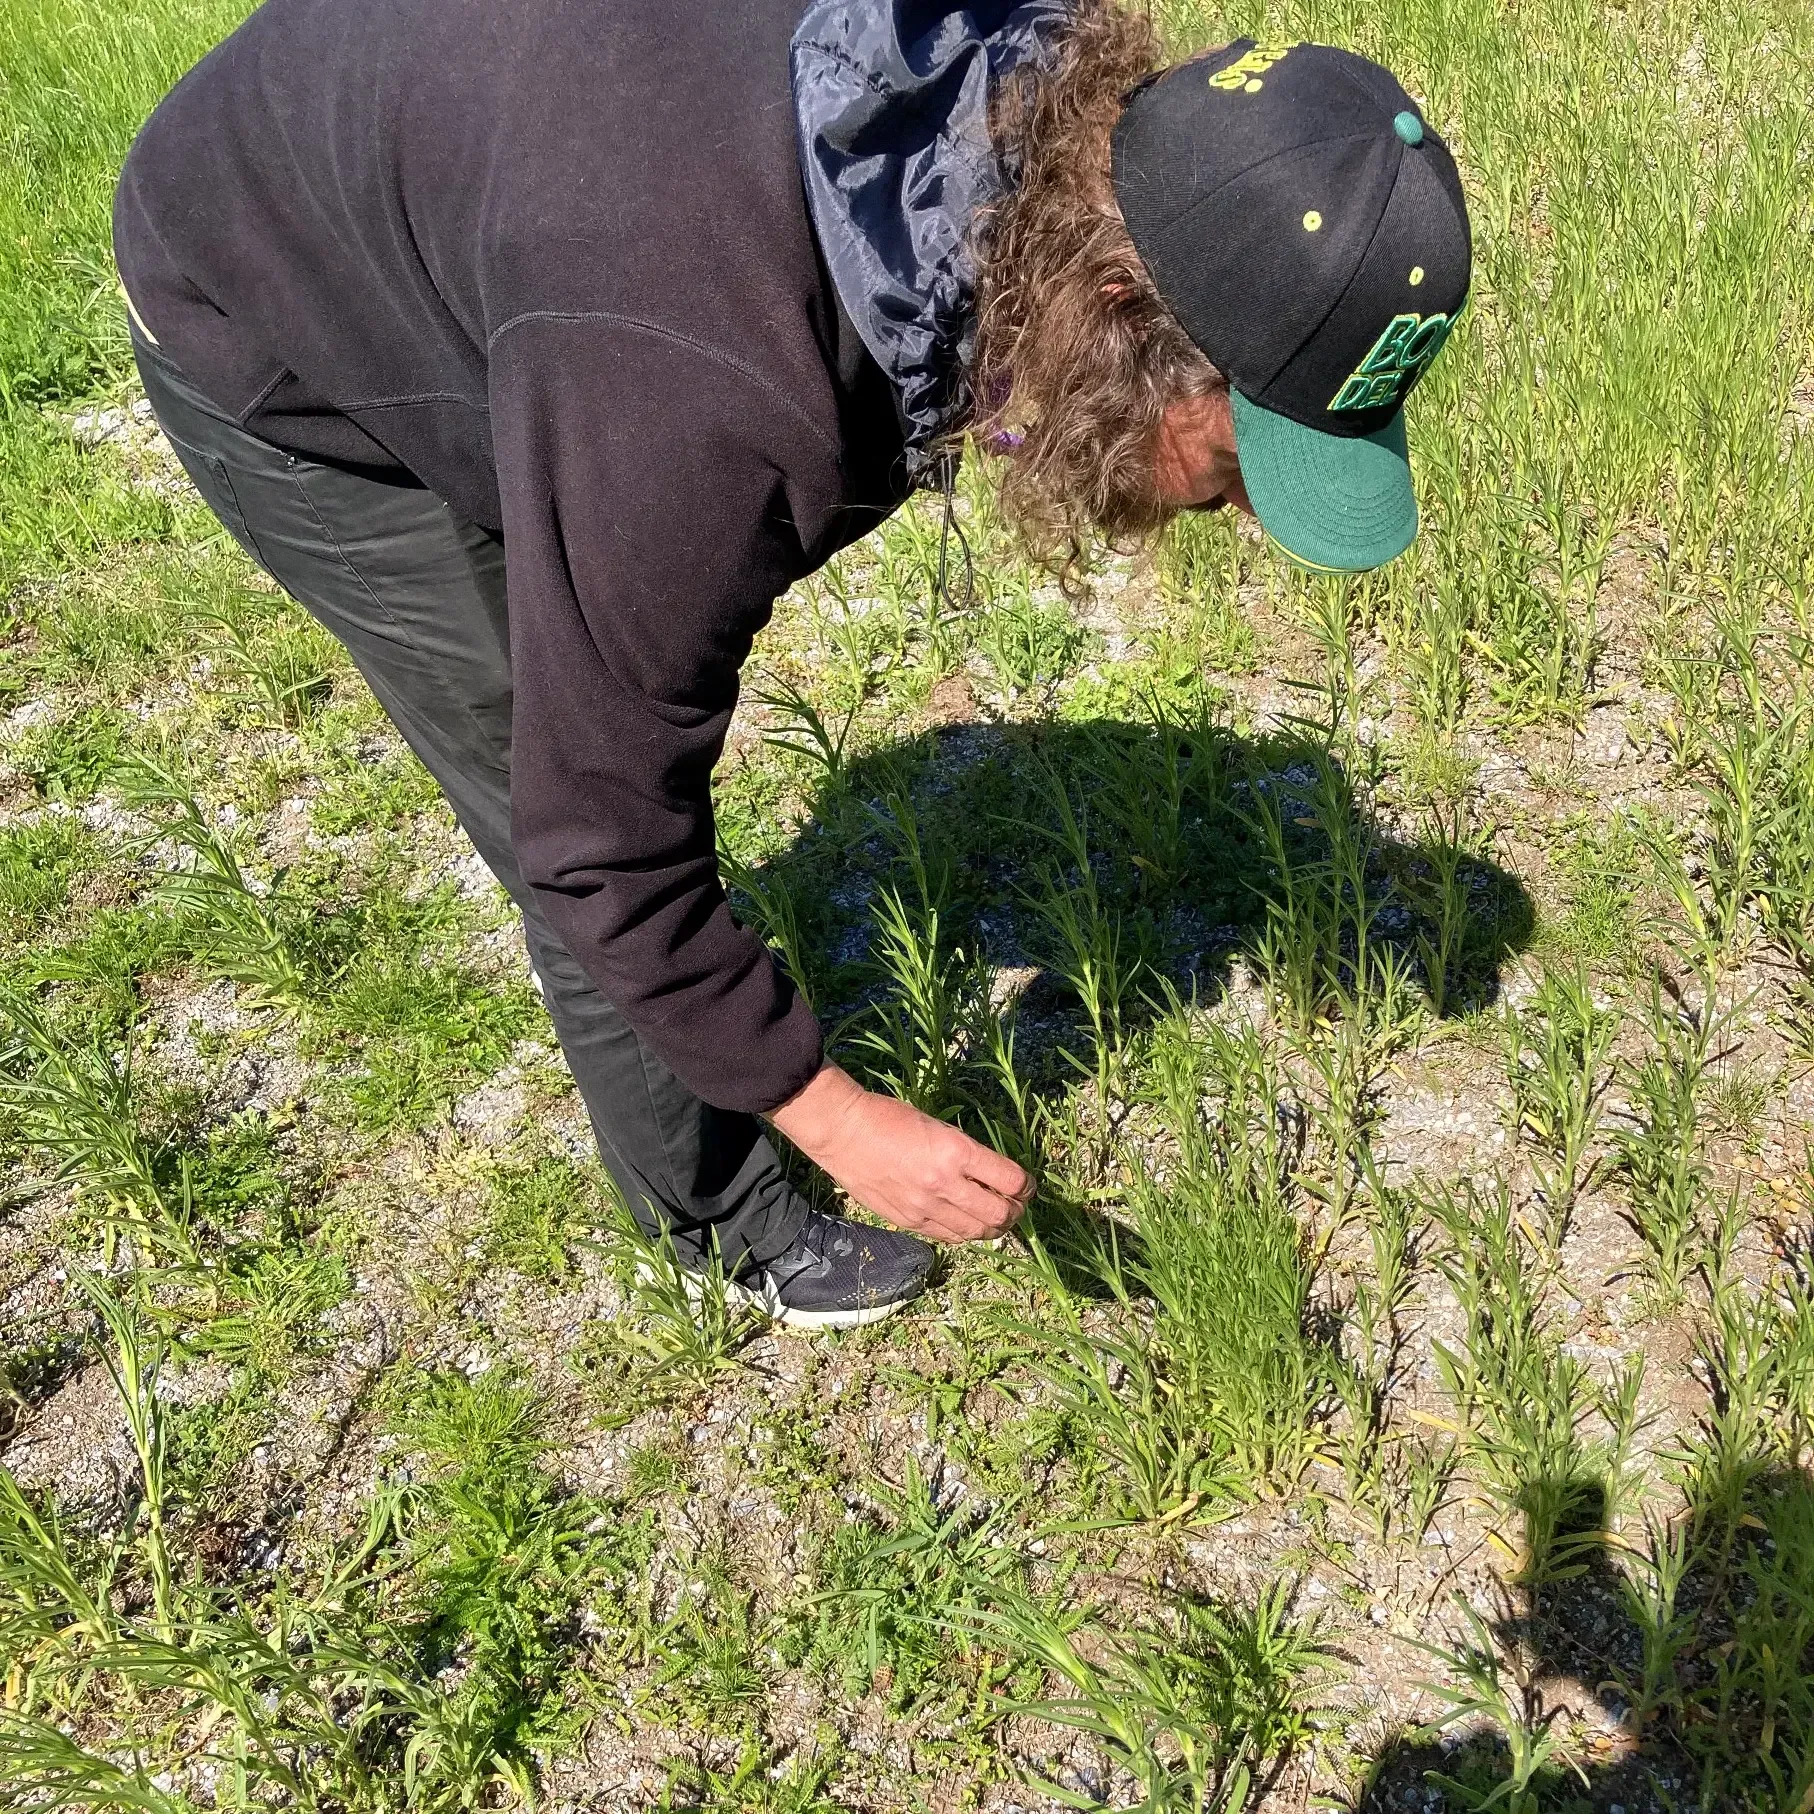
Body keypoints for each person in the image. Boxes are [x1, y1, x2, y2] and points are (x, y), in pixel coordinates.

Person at [113, 1, 1470, 1327]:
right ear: (1117, 306)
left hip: (500, 205)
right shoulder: (700, 390)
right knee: (558, 765)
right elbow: (597, 836)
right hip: (268, 306)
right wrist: (839, 1116)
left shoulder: (1005, 116)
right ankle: (715, 1224)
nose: (1238, 512)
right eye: (1243, 460)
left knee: (591, 593)